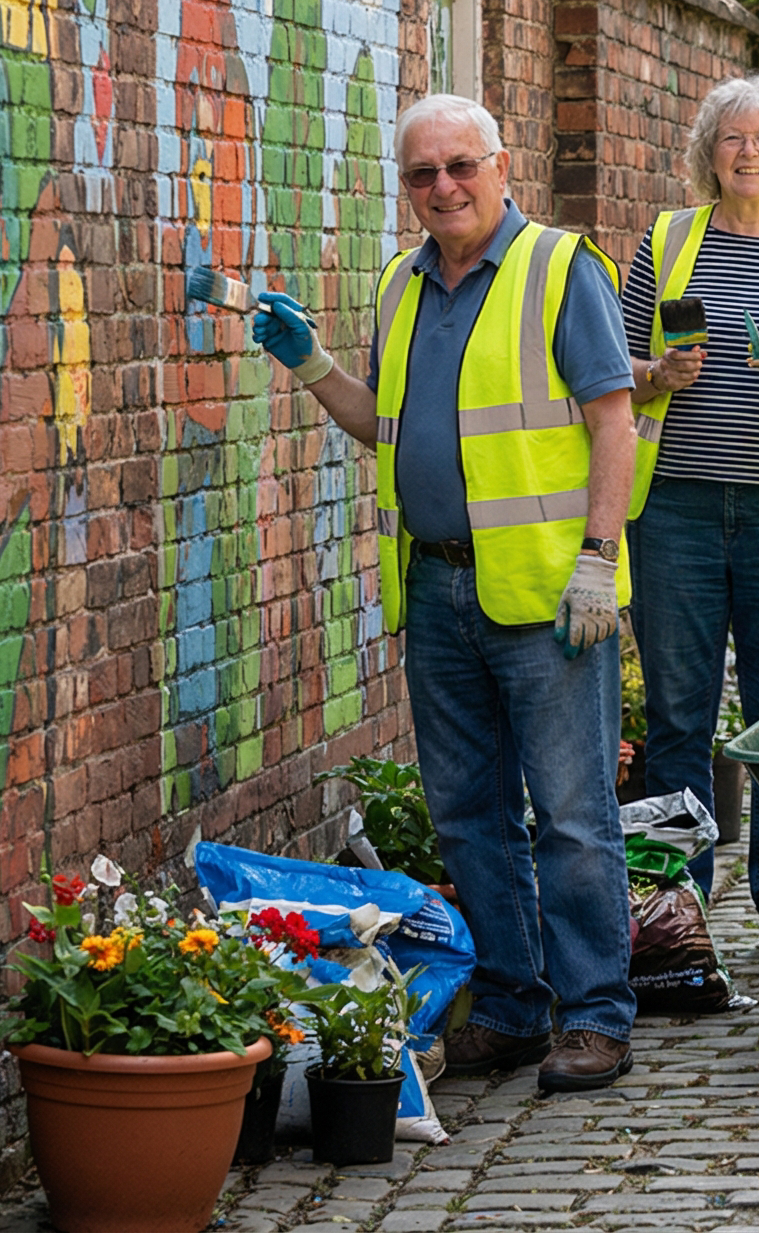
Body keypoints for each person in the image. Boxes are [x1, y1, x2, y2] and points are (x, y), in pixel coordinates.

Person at [249, 93, 640, 1092]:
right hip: (438, 589)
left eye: (461, 166)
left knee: (572, 815)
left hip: (552, 597)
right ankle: (511, 1008)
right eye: (422, 174)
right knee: (469, 816)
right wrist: (311, 366)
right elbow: (387, 426)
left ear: (501, 166)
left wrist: (600, 556)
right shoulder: (400, 285)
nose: (444, 188)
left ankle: (594, 1015)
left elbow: (613, 421)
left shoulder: (560, 270)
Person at [620, 75, 759, 961]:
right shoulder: (670, 240)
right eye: (730, 139)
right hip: (673, 505)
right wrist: (659, 377)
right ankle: (681, 901)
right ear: (707, 155)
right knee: (679, 709)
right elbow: (614, 363)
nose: (748, 153)